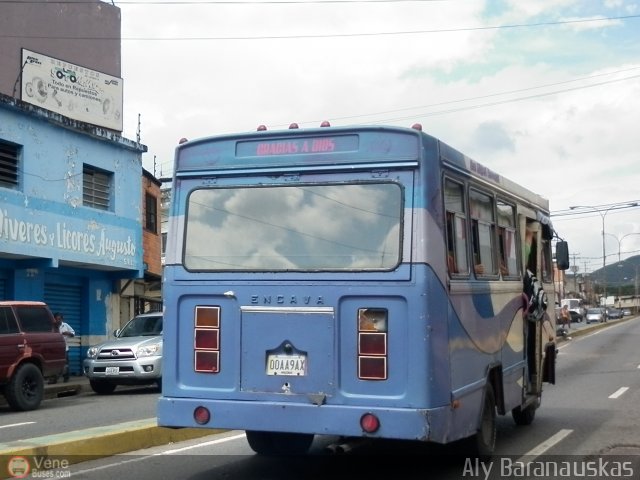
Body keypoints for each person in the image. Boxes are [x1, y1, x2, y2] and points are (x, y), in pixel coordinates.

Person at [53, 312, 75, 382]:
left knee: (65, 364)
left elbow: (73, 333)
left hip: (65, 349)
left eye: (59, 319)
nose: (58, 320)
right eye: (56, 319)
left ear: (62, 319)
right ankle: (54, 379)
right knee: (55, 364)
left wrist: (68, 333)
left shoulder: (65, 325)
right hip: (55, 349)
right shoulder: (53, 327)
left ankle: (66, 377)